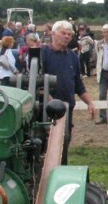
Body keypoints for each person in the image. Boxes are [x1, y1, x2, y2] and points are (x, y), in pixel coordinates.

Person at [40, 20, 96, 164]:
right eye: (63, 33)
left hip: (66, 110)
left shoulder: (73, 57)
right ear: (53, 34)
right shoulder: (43, 53)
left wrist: (90, 103)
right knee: (45, 148)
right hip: (46, 110)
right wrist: (52, 102)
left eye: (69, 34)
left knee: (64, 145)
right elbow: (38, 83)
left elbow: (78, 84)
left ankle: (62, 171)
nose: (66, 36)